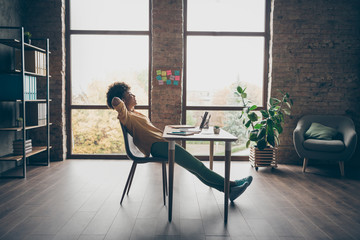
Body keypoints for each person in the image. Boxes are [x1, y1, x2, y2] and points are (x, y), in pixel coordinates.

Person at [106, 82, 252, 202]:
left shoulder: (134, 113)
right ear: (124, 100)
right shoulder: (125, 116)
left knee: (196, 169)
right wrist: (120, 101)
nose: (134, 95)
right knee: (198, 167)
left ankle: (228, 191)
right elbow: (115, 102)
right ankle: (232, 184)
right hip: (157, 147)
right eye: (130, 94)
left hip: (162, 142)